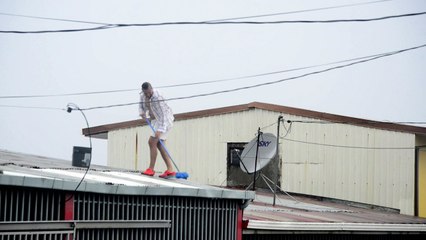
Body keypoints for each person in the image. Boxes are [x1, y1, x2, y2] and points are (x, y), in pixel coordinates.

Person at [139, 82, 176, 178]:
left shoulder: (158, 97)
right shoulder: (142, 95)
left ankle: (151, 169)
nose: (147, 95)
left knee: (152, 141)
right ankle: (170, 169)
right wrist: (142, 112)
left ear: (151, 89)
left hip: (165, 121)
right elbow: (141, 106)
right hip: (155, 120)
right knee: (159, 144)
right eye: (145, 93)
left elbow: (163, 115)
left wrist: (160, 130)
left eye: (149, 93)